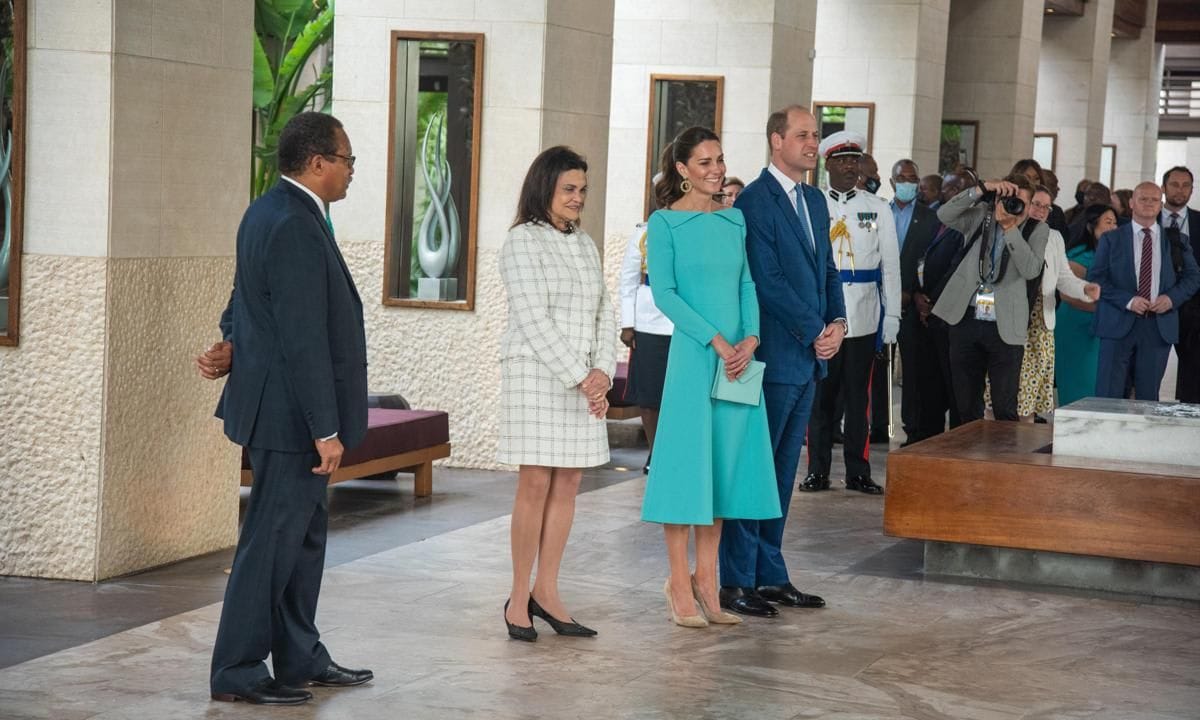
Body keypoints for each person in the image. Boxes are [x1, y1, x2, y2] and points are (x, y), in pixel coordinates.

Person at [200, 112, 372, 706]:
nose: (352, 171)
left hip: (282, 408)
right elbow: (302, 336)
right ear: (318, 162)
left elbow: (245, 297)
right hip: (290, 418)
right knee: (271, 544)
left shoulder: (270, 211)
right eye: (348, 159)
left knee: (303, 540)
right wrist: (324, 427)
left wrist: (231, 342)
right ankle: (239, 670)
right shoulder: (293, 223)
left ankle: (299, 657)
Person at [641, 127, 780, 628]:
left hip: (738, 363)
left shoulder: (734, 219)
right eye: (704, 162)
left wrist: (752, 339)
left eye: (719, 159)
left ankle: (708, 578)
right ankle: (678, 581)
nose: (716, 169)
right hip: (694, 360)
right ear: (682, 170)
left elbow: (746, 282)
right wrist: (717, 341)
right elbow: (666, 294)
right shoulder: (664, 224)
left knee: (722, 469)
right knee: (686, 468)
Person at [720, 105, 845, 618]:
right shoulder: (755, 201)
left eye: (815, 135)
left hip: (810, 357)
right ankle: (736, 579)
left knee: (780, 472)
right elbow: (766, 280)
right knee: (754, 470)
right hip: (774, 356)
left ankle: (770, 574)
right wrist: (815, 329)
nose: (812, 143)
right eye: (802, 135)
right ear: (776, 140)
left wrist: (837, 325)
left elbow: (827, 269)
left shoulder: (814, 199)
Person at [498, 146, 616, 642]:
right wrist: (580, 376)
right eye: (569, 189)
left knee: (568, 482)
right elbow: (532, 317)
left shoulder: (586, 245)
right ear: (544, 187)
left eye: (582, 190)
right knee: (536, 483)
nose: (577, 198)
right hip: (536, 376)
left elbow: (605, 312)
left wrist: (604, 372)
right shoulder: (522, 242)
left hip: (584, 381)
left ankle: (548, 590)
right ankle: (518, 596)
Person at [803, 131, 899, 495]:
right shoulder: (812, 204)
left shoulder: (877, 208)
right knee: (821, 400)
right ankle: (818, 470)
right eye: (841, 160)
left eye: (854, 161)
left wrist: (892, 317)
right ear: (826, 164)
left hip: (863, 314)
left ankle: (859, 472)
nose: (848, 167)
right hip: (824, 316)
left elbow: (890, 266)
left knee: (859, 399)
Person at [932, 174, 1047, 423]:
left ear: (1030, 207)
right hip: (966, 317)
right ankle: (965, 459)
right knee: (965, 402)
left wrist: (1010, 228)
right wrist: (982, 189)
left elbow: (1030, 269)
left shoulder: (1038, 229)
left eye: (1021, 203)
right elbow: (944, 215)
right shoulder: (982, 217)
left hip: (1006, 325)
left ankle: (1000, 460)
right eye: (1009, 200)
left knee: (1004, 405)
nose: (1013, 207)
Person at [1088, 182, 1200, 401]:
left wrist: (1171, 298)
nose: (1149, 203)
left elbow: (1194, 276)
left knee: (1148, 397)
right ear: (1131, 203)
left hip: (1158, 326)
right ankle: (1107, 436)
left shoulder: (1176, 240)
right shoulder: (1112, 239)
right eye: (1143, 199)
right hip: (1118, 322)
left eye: (1154, 200)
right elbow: (1096, 278)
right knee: (1108, 395)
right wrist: (1128, 300)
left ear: (1161, 204)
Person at [1012, 188, 1100, 417]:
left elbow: (1064, 278)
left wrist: (1084, 288)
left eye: (1046, 207)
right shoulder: (1010, 231)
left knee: (1029, 402)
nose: (1040, 211)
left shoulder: (1054, 237)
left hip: (1041, 323)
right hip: (1011, 321)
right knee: (1001, 395)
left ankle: (1023, 450)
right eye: (1035, 204)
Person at [620, 145, 676, 474]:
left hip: (683, 324)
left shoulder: (693, 228)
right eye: (661, 196)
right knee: (649, 395)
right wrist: (628, 325)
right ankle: (656, 452)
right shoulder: (643, 233)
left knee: (676, 393)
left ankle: (673, 450)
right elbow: (628, 280)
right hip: (649, 323)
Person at [891, 159, 943, 444]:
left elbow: (931, 260)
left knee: (912, 372)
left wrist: (914, 291)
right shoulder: (878, 213)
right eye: (902, 178)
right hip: (879, 302)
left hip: (913, 304)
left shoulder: (930, 218)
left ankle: (913, 428)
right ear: (892, 181)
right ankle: (875, 425)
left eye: (913, 178)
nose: (907, 183)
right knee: (873, 368)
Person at [1055, 204, 1116, 406]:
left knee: (1099, 385)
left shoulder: (1114, 254)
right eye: (1108, 222)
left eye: (1115, 222)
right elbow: (1067, 295)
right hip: (1077, 327)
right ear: (1091, 226)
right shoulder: (1079, 255)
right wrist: (1106, 311)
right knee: (1079, 383)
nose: (1114, 227)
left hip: (1103, 328)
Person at [1160, 166, 1200, 402]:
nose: (1180, 190)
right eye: (1174, 184)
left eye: (1186, 185)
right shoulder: (1148, 219)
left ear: (1192, 190)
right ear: (1164, 187)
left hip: (1194, 309)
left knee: (1193, 373)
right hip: (1154, 304)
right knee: (1149, 370)